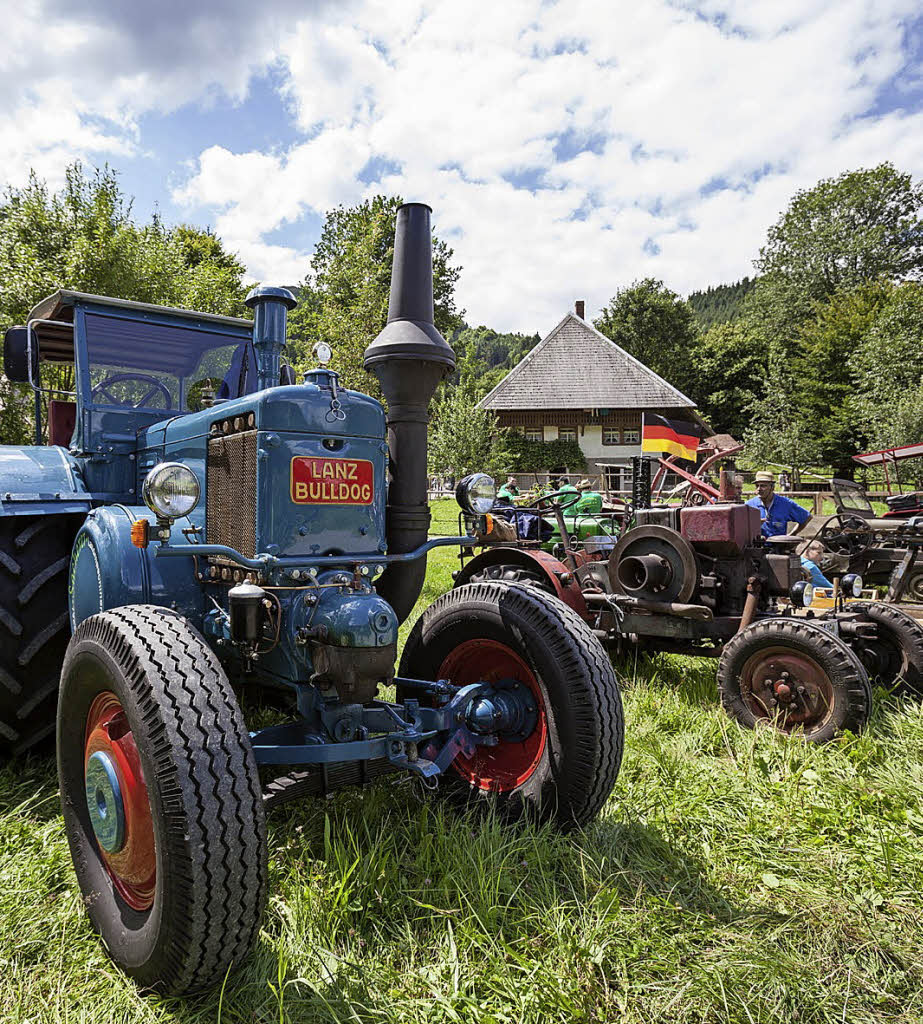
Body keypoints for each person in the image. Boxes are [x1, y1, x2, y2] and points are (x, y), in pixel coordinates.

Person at [745, 471, 812, 538]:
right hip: (755, 546)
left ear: (772, 487)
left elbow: (807, 517)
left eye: (763, 486)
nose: (759, 489)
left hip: (778, 546)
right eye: (757, 486)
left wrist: (792, 535)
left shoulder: (785, 504)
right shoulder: (749, 505)